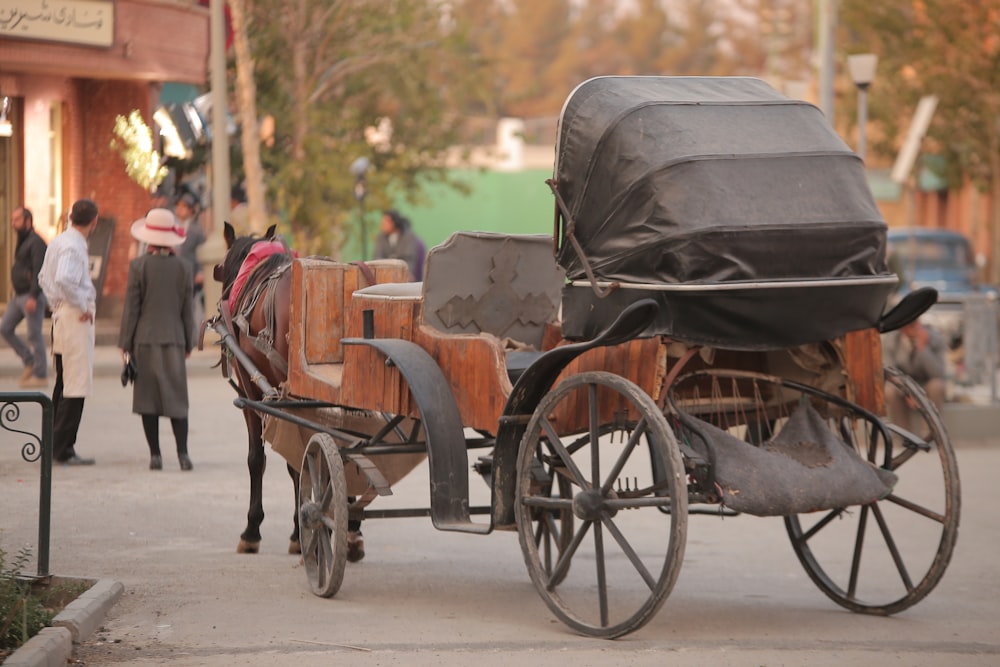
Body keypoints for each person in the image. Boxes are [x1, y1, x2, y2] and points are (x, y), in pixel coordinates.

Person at [118, 208, 196, 471]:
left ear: (148, 238)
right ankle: (183, 454)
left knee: (148, 400)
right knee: (177, 399)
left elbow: (132, 308)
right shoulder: (184, 268)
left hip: (144, 339)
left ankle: (155, 455)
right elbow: (188, 308)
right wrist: (189, 341)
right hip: (174, 339)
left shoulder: (138, 266)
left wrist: (125, 344)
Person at [37, 199, 99, 465]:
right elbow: (64, 278)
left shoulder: (59, 241)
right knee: (76, 384)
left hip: (62, 315)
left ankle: (53, 442)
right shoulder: (74, 246)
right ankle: (63, 447)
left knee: (64, 381)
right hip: (74, 317)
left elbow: (43, 277)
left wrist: (56, 303)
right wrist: (81, 303)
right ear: (94, 221)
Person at [2, 207, 48, 388]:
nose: (13, 224)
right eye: (12, 220)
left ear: (28, 221)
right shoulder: (23, 240)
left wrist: (34, 296)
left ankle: (40, 373)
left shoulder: (36, 242)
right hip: (18, 296)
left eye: (17, 220)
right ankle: (29, 361)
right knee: (5, 328)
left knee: (34, 334)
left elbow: (39, 270)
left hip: (30, 295)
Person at [882, 317, 947, 430]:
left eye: (915, 322)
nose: (913, 326)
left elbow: (938, 373)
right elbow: (891, 373)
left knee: (937, 385)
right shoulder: (891, 341)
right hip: (903, 387)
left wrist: (923, 348)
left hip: (926, 387)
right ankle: (904, 434)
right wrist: (908, 393)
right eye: (908, 323)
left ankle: (929, 433)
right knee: (889, 390)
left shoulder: (936, 339)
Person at [174, 187, 206, 334]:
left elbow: (201, 253)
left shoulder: (197, 230)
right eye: (179, 206)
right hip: (174, 271)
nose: (181, 209)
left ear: (191, 210)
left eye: (184, 206)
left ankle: (192, 333)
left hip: (191, 271)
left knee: (191, 304)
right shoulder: (172, 227)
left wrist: (200, 271)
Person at [374, 209, 426, 281]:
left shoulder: (408, 237)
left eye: (385, 223)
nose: (382, 225)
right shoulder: (381, 238)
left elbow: (410, 259)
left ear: (393, 223)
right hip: (385, 273)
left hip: (404, 273)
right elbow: (377, 256)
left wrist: (406, 273)